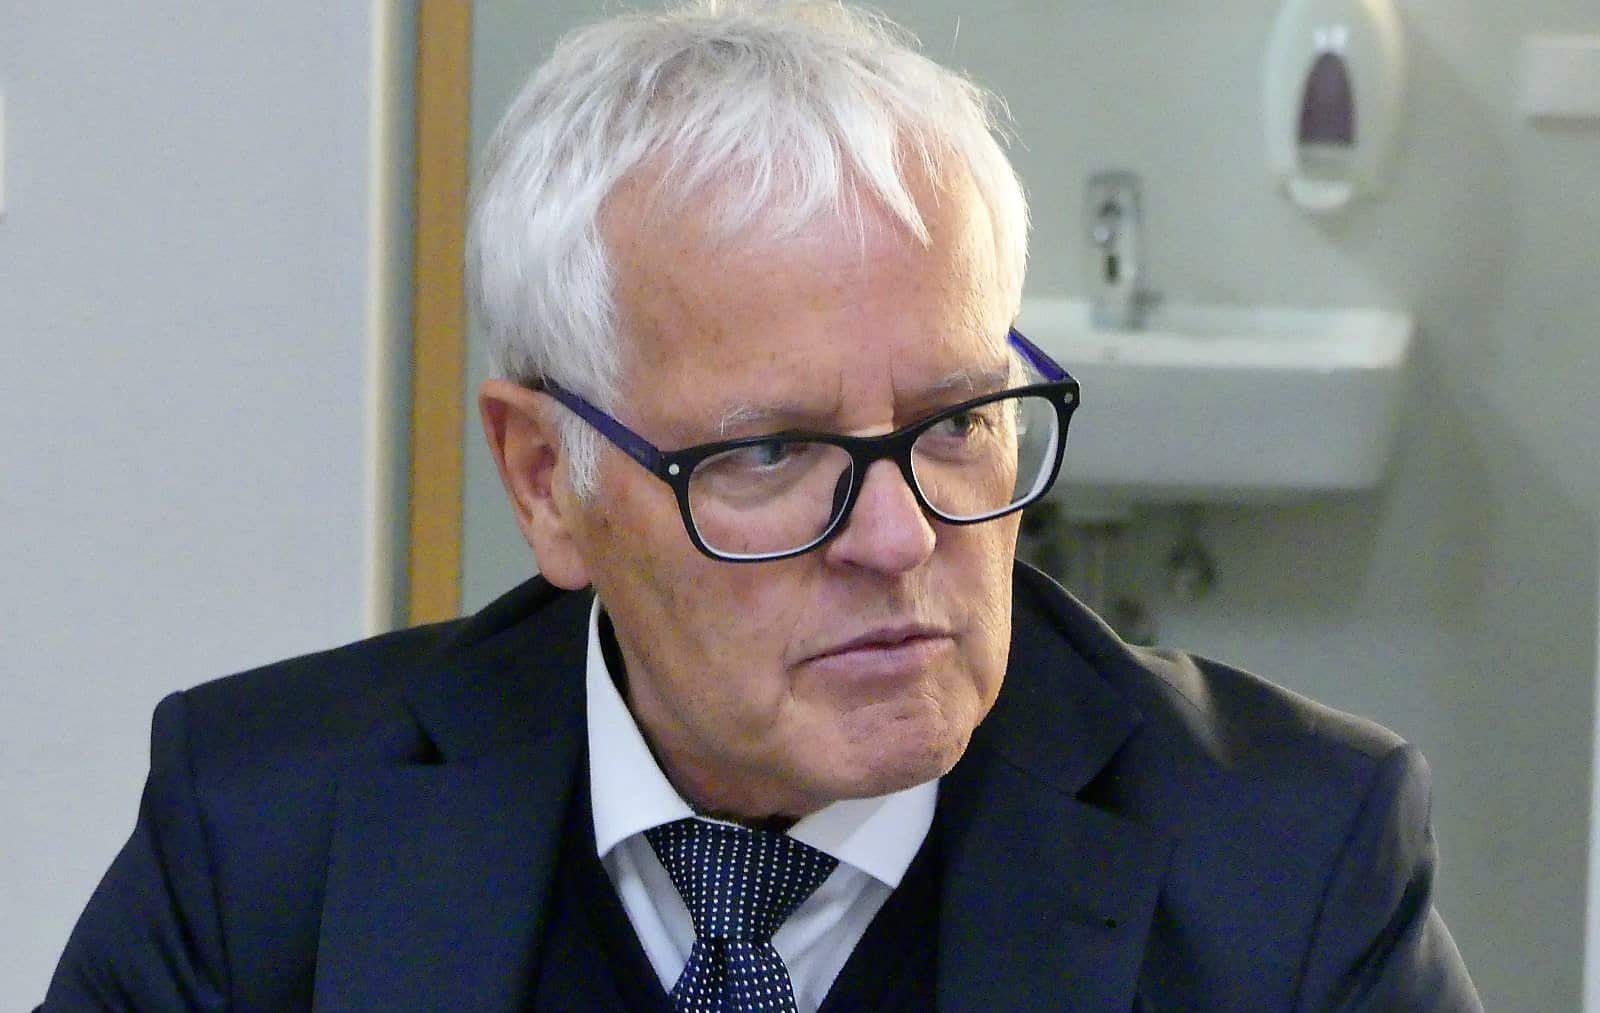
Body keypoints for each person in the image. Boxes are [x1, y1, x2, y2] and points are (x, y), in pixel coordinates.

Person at [43, 2, 1479, 1009]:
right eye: (772, 454)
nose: (901, 539)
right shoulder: (258, 837)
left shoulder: (1293, 868)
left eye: (957, 423)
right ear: (546, 479)